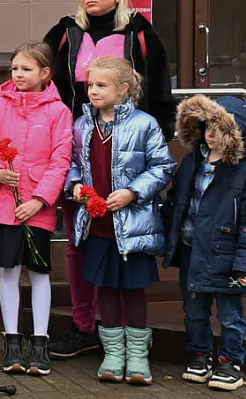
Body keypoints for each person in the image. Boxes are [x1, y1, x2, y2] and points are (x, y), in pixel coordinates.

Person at [43, 0, 177, 361]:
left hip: (128, 160)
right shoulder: (64, 33)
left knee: (123, 248)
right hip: (77, 149)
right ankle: (84, 326)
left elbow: (159, 90)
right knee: (79, 244)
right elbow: (46, 84)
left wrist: (159, 139)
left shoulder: (141, 33)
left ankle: (119, 334)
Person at [66, 56, 176, 385]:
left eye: (101, 85)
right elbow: (73, 162)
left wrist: (132, 191)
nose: (93, 92)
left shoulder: (144, 124)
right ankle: (113, 354)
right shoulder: (83, 125)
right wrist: (75, 185)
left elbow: (163, 166)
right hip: (97, 224)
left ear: (123, 89)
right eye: (90, 85)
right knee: (107, 289)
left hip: (133, 226)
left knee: (133, 291)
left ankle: (138, 356)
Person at [0, 42, 73, 377]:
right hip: (4, 206)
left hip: (37, 208)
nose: (18, 75)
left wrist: (40, 200)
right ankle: (12, 341)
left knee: (40, 273)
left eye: (26, 69)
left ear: (45, 74)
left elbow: (61, 161)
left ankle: (39, 342)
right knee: (9, 272)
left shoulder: (59, 112)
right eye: (14, 68)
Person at [163, 95, 246, 391]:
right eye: (207, 125)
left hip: (227, 259)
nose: (210, 133)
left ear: (237, 135)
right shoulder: (191, 162)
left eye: (219, 128)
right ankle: (199, 355)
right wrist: (167, 238)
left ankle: (230, 361)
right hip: (192, 250)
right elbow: (176, 202)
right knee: (194, 310)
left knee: (229, 315)